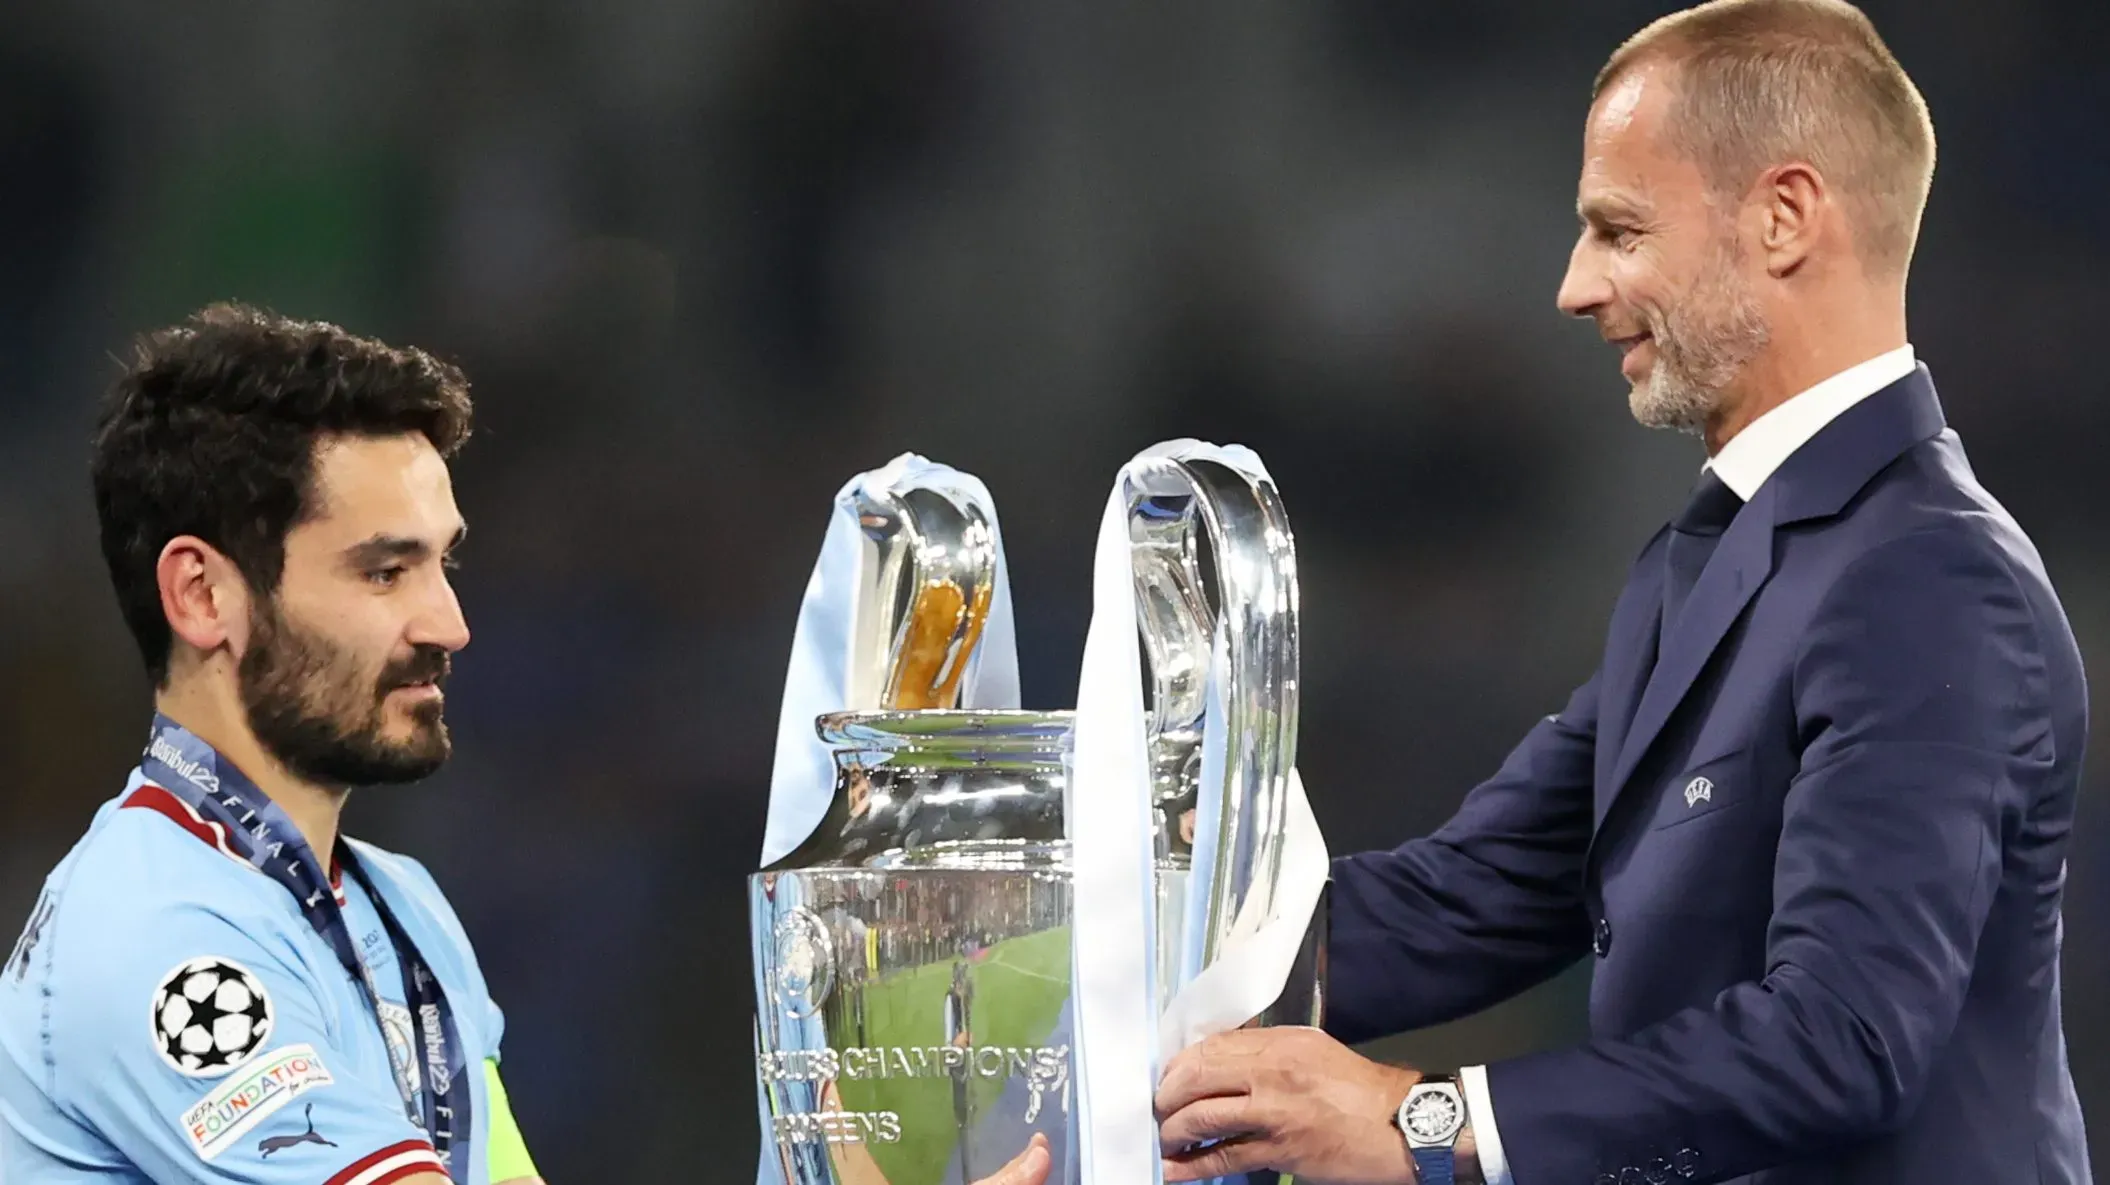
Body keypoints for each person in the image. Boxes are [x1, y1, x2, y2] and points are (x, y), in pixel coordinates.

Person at [1153, 2, 2090, 1183]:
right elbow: (1471, 899)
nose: (1574, 286)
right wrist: (1110, 924)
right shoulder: (1706, 562)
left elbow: (1843, 1037)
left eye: (1618, 230)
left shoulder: (1931, 579)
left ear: (1784, 218)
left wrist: (1420, 1124)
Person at [0, 305, 544, 1185]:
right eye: (384, 570)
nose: (451, 622)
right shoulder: (153, 934)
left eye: (446, 562)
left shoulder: (406, 909)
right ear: (203, 595)